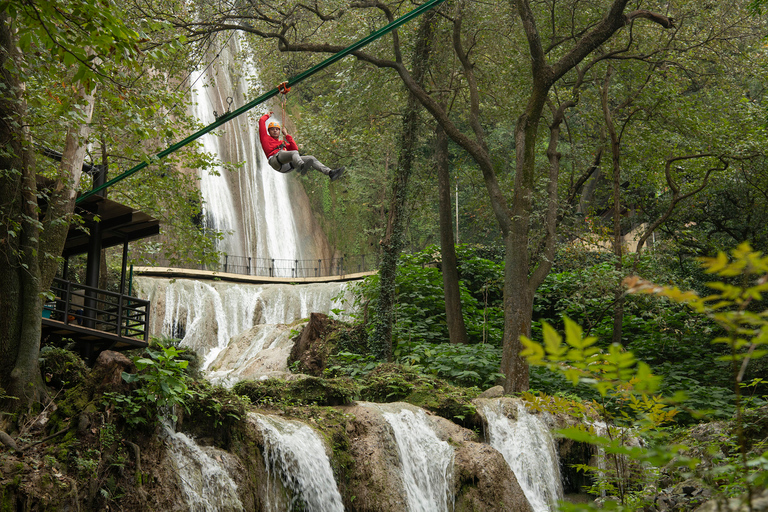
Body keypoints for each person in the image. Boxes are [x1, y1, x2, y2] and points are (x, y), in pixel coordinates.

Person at [258, 111, 345, 181]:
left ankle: (330, 173)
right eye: (272, 129)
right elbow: (261, 121)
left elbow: (295, 148)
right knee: (293, 154)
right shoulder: (265, 138)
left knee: (311, 158)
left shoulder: (282, 142)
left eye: (277, 129)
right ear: (269, 131)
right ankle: (302, 165)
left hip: (287, 166)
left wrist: (287, 135)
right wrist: (267, 115)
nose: (275, 131)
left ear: (279, 131)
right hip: (275, 160)